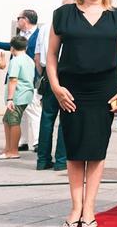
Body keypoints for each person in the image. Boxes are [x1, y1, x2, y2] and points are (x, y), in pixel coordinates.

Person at [47, 0, 117, 227]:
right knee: (74, 150)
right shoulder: (62, 14)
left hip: (103, 90)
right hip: (70, 90)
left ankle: (89, 209)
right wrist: (56, 87)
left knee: (96, 150)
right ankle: (75, 208)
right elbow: (51, 55)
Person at [0, 9, 42, 151]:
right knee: (22, 112)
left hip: (31, 78)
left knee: (33, 110)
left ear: (24, 19)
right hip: (17, 76)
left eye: (19, 17)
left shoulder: (39, 35)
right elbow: (11, 46)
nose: (18, 20)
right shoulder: (20, 34)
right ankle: (23, 142)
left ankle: (37, 142)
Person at [0, 36, 35, 160]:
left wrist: (10, 99)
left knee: (13, 121)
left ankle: (13, 151)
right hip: (25, 93)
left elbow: (13, 80)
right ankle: (7, 149)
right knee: (6, 120)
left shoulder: (16, 60)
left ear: (12, 48)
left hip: (18, 95)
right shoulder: (29, 59)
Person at [35, 15, 67, 171]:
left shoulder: (45, 27)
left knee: (47, 118)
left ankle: (42, 160)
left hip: (49, 72)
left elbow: (37, 56)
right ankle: (61, 161)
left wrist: (44, 75)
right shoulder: (72, 22)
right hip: (67, 72)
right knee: (65, 118)